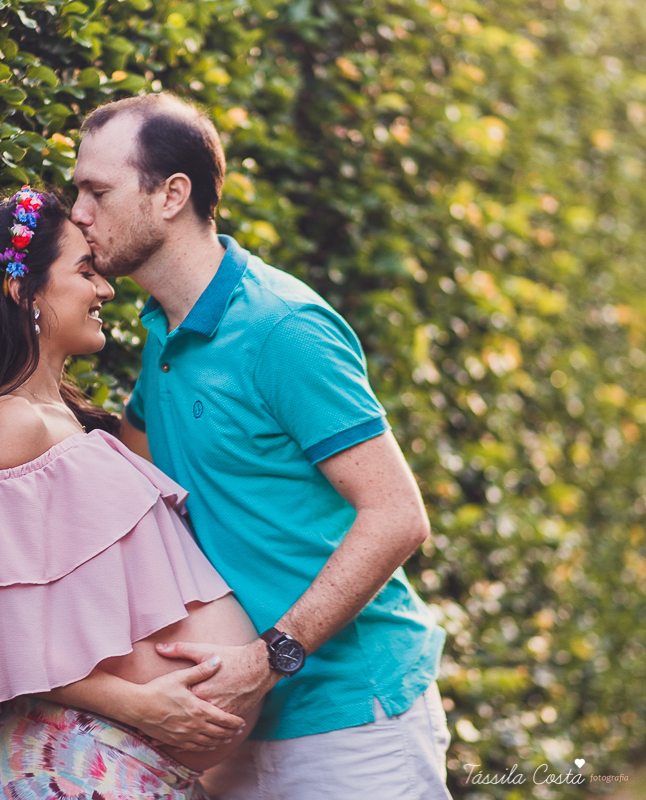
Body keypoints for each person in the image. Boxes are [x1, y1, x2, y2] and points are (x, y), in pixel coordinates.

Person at [69, 93, 451, 799]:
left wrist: (269, 658)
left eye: (97, 191)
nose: (79, 214)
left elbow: (398, 515)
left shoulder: (283, 328)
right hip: (230, 729)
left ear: (171, 195)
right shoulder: (161, 335)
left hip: (349, 721)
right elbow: (130, 491)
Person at [0, 187, 261, 799]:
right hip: (72, 761)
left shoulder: (64, 424)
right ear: (21, 291)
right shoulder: (11, 426)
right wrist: (141, 706)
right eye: (85, 271)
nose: (105, 289)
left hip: (118, 761)